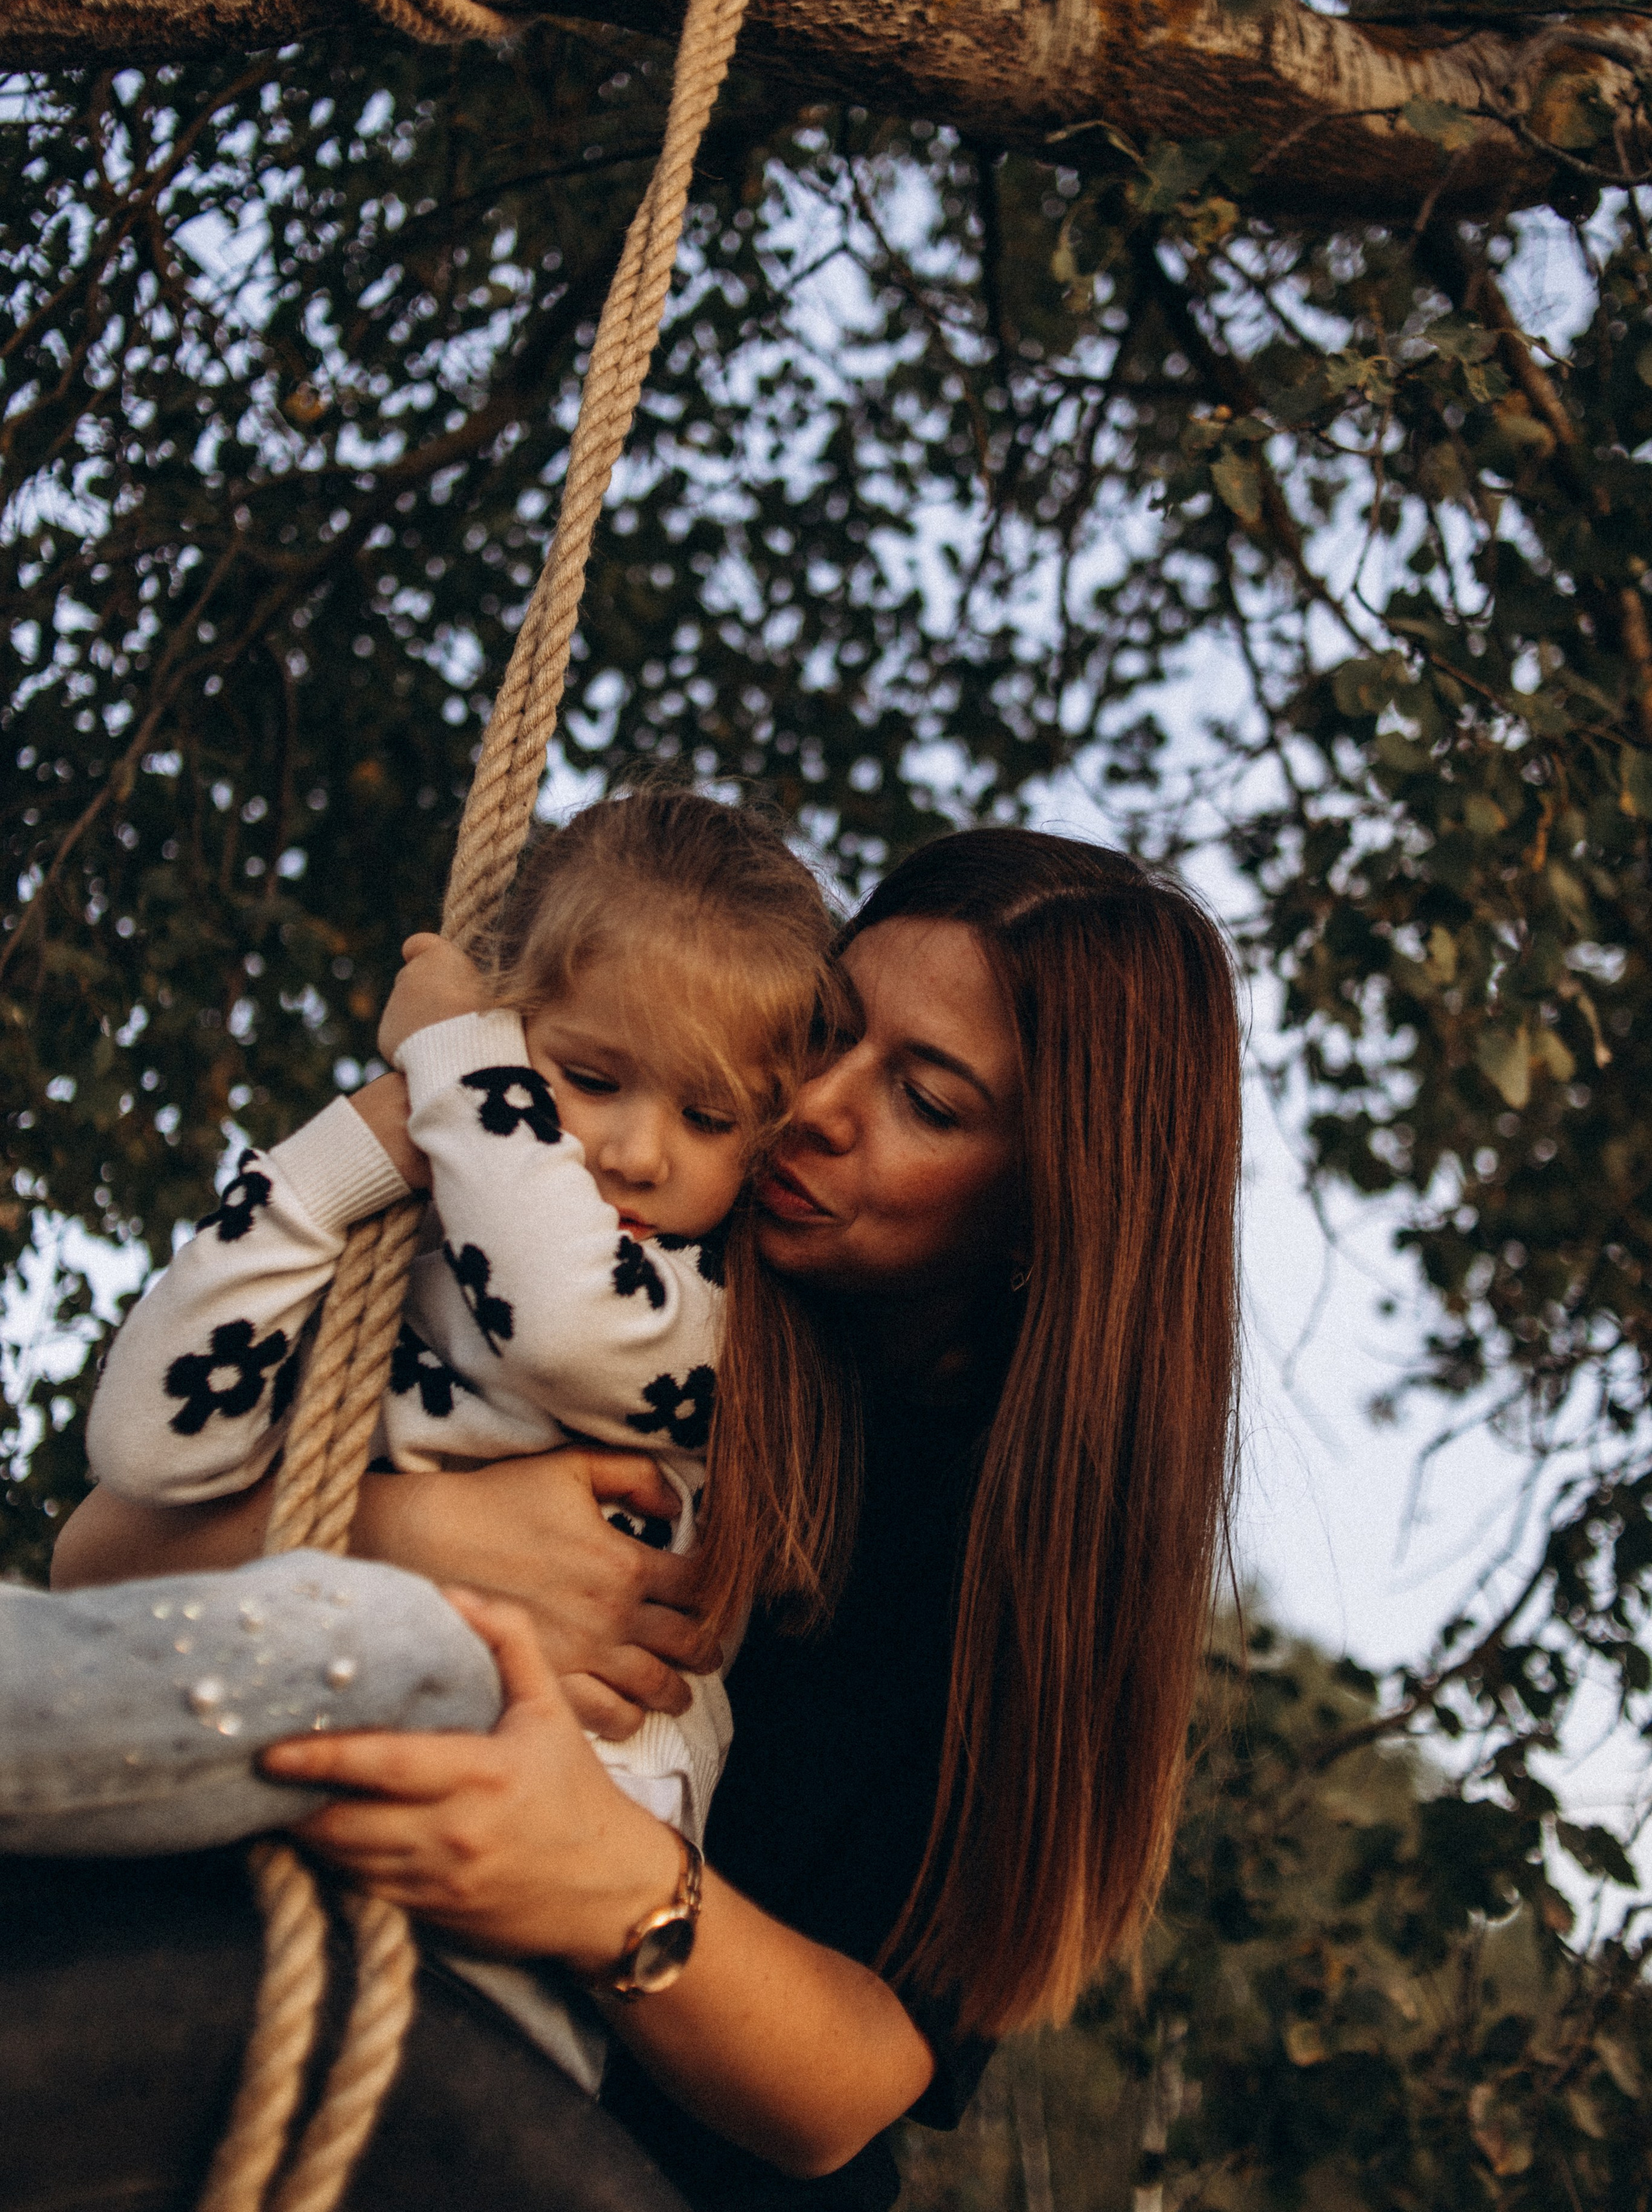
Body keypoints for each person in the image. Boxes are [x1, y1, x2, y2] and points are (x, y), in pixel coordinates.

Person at [47, 827, 1242, 2212]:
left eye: (924, 1100)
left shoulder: (1009, 1544)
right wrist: (408, 1536)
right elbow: (99, 1557)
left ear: (1046, 1206)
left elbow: (851, 2087)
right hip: (268, 1957)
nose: (813, 1107)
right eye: (827, 1033)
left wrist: (601, 1875)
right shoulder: (606, 1208)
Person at [66, 785, 848, 2087]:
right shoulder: (408, 1254)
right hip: (301, 1700)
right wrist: (337, 1165)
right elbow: (153, 1451)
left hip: (548, 1797)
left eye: (709, 1120)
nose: (638, 1152)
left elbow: (557, 1318)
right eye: (590, 1078)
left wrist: (459, 1055)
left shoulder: (714, 1328)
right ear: (522, 1027)